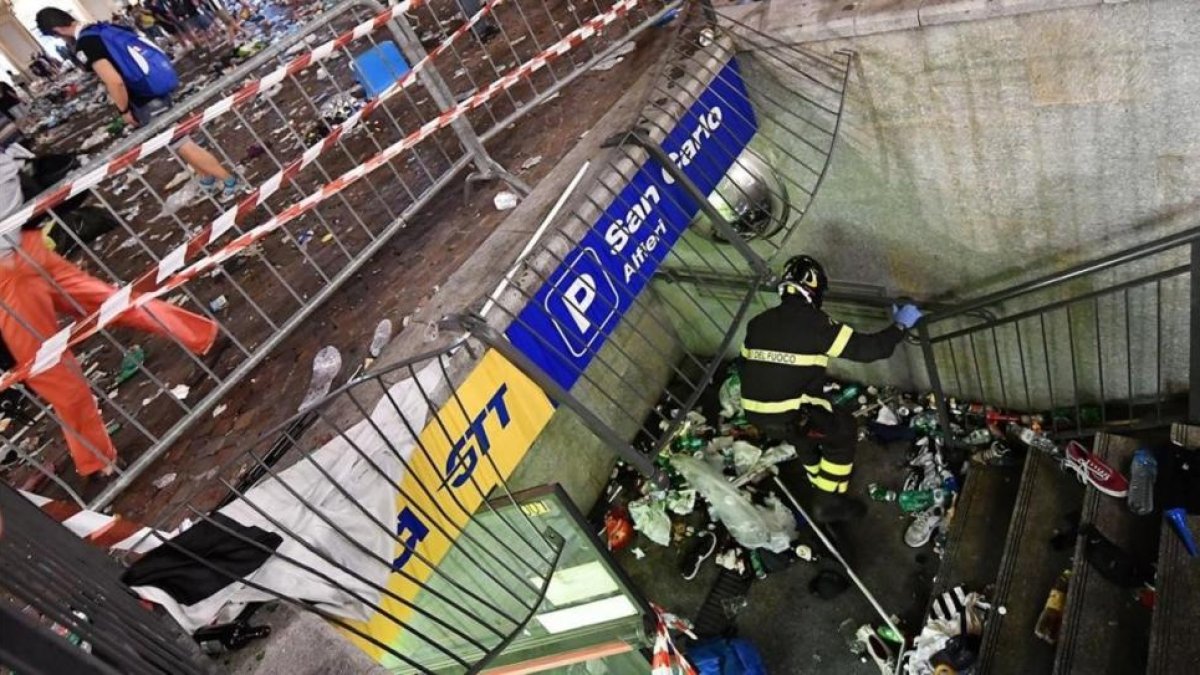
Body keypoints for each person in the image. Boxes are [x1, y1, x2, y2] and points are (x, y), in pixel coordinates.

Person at [0, 126, 219, 478]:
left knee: (49, 369)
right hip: (27, 248)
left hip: (8, 271)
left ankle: (96, 460)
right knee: (110, 303)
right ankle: (200, 333)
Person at [739, 255, 924, 523]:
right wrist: (900, 325)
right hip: (790, 413)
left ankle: (820, 480)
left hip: (756, 412)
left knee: (803, 435)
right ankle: (828, 502)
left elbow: (745, 364)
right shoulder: (816, 325)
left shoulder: (758, 322)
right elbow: (871, 349)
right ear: (813, 289)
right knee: (842, 431)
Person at [36, 7, 246, 201]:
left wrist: (124, 110)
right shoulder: (102, 28)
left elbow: (114, 81)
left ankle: (230, 181)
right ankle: (207, 180)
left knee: (182, 144)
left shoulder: (85, 43)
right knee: (178, 143)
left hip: (144, 97)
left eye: (54, 36)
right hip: (152, 84)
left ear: (57, 30)